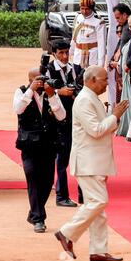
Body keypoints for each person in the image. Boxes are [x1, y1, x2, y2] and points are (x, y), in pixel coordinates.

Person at [54, 66, 129, 261]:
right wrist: (115, 116)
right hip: (88, 162)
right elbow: (95, 130)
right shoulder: (84, 100)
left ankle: (98, 250)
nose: (107, 83)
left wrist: (113, 117)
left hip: (95, 161)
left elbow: (104, 129)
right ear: (92, 80)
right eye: (104, 80)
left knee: (98, 211)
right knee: (98, 202)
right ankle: (66, 233)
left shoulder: (91, 98)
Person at [14, 67, 66, 233]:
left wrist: (52, 96)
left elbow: (62, 116)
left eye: (43, 79)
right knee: (32, 177)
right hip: (29, 144)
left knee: (47, 182)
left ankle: (33, 212)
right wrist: (31, 90)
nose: (42, 83)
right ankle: (39, 218)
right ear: (30, 80)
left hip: (49, 144)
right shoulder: (21, 92)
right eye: (38, 80)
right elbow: (18, 109)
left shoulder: (51, 93)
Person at [47, 39, 82, 207]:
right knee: (62, 159)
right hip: (57, 121)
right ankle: (61, 196)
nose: (65, 56)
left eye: (67, 52)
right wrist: (58, 91)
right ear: (54, 54)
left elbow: (83, 87)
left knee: (80, 156)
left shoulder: (76, 69)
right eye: (61, 53)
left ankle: (83, 195)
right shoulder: (48, 70)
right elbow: (42, 92)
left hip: (76, 118)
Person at [70, 0, 106, 74]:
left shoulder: (99, 21)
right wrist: (70, 52)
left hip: (91, 58)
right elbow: (74, 37)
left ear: (92, 8)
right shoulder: (78, 17)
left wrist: (100, 65)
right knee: (77, 82)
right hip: (77, 56)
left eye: (87, 9)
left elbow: (102, 45)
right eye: (82, 8)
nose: (84, 11)